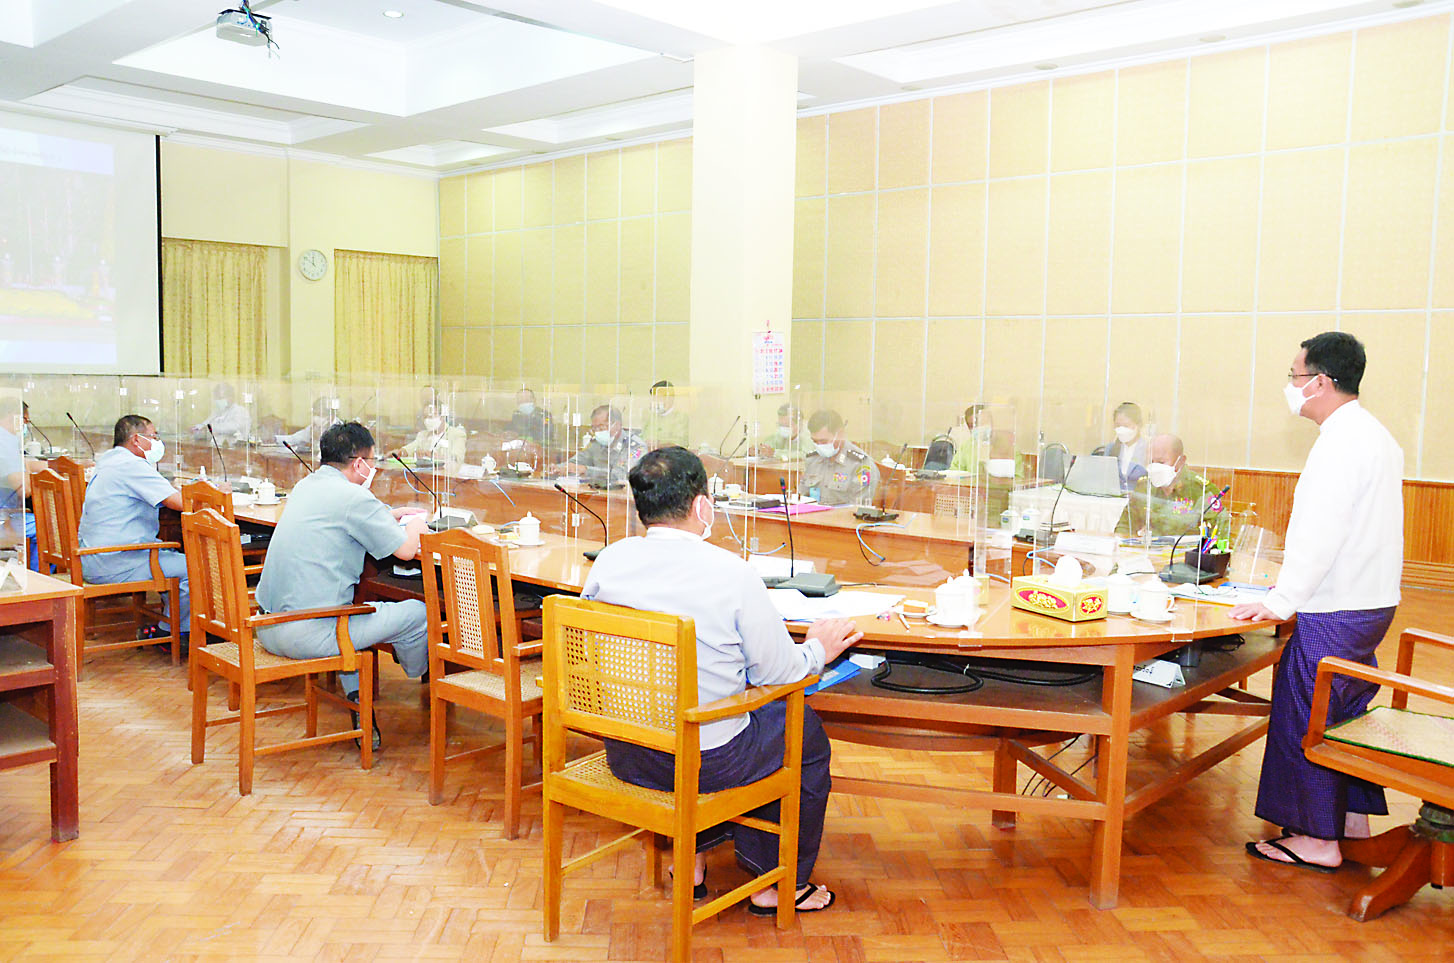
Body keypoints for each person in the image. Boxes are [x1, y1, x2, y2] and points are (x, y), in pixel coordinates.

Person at [582, 446, 862, 915]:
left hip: (628, 752)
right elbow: (780, 674)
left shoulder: (609, 561)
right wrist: (818, 649)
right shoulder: (731, 573)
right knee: (801, 733)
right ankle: (775, 883)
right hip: (703, 764)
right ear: (702, 506)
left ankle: (689, 862)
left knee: (717, 712)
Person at [1230, 332, 1402, 872]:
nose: (1291, 385)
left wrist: (1281, 601)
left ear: (1320, 382)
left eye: (1295, 375)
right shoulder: (1375, 435)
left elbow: (1321, 533)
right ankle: (1350, 821)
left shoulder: (1340, 444)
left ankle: (1316, 838)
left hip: (1336, 606)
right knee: (1343, 710)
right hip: (1371, 601)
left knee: (1307, 710)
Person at [254, 422, 431, 749]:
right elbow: (407, 551)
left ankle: (358, 703)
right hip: (307, 633)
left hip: (267, 625)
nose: (373, 468)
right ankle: (423, 672)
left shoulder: (306, 485)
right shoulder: (354, 497)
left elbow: (343, 516)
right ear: (359, 463)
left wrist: (387, 516)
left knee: (349, 613)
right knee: (418, 613)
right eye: (373, 461)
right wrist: (417, 524)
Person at [77, 415, 189, 641]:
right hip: (116, 561)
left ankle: (172, 622)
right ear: (137, 440)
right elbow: (180, 503)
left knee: (172, 554)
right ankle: (177, 634)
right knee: (195, 567)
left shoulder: (110, 460)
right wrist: (218, 495)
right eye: (153, 436)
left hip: (93, 557)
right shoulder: (131, 465)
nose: (157, 442)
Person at [1120, 434, 1216, 538]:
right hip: (1150, 546)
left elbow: (1220, 531)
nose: (1155, 467)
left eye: (1161, 462)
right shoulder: (1144, 487)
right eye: (1151, 462)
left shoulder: (1201, 489)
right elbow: (1125, 525)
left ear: (1181, 461)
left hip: (1186, 548)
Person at [800, 410, 878, 507]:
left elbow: (858, 509)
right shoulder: (812, 460)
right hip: (811, 515)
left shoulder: (861, 465)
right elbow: (802, 499)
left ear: (840, 434)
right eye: (815, 441)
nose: (819, 446)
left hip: (842, 516)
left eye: (823, 441)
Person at [554, 404, 644, 486]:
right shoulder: (597, 444)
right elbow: (577, 461)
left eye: (601, 427)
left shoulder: (635, 447)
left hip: (623, 495)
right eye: (594, 428)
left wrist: (586, 470)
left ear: (616, 425)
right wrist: (559, 468)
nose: (597, 431)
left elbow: (624, 475)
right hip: (597, 492)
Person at [395, 403, 467, 467]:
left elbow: (457, 459)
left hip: (447, 475)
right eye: (425, 417)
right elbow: (409, 449)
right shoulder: (423, 434)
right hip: (425, 473)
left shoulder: (457, 434)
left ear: (442, 417)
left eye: (431, 416)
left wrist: (431, 455)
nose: (427, 420)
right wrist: (400, 452)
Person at [1103, 401, 1149, 489]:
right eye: (1118, 426)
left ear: (1139, 425)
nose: (1121, 429)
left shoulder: (1148, 449)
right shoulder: (1111, 449)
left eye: (1126, 426)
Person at [641, 380, 690, 450]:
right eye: (654, 398)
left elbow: (681, 443)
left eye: (659, 397)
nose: (655, 401)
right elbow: (643, 436)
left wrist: (659, 443)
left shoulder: (681, 417)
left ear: (670, 398)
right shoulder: (651, 417)